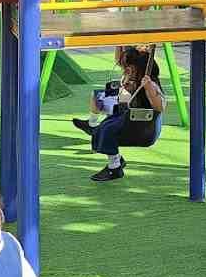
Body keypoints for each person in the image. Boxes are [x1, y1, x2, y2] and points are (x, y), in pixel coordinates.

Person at [70, 46, 164, 182]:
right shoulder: (134, 79)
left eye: (129, 69)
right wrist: (119, 43)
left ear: (139, 69)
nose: (125, 71)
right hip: (131, 120)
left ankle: (114, 168)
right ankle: (114, 157)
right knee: (103, 125)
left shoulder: (151, 85)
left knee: (107, 130)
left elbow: (159, 107)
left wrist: (149, 88)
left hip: (144, 128)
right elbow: (119, 60)